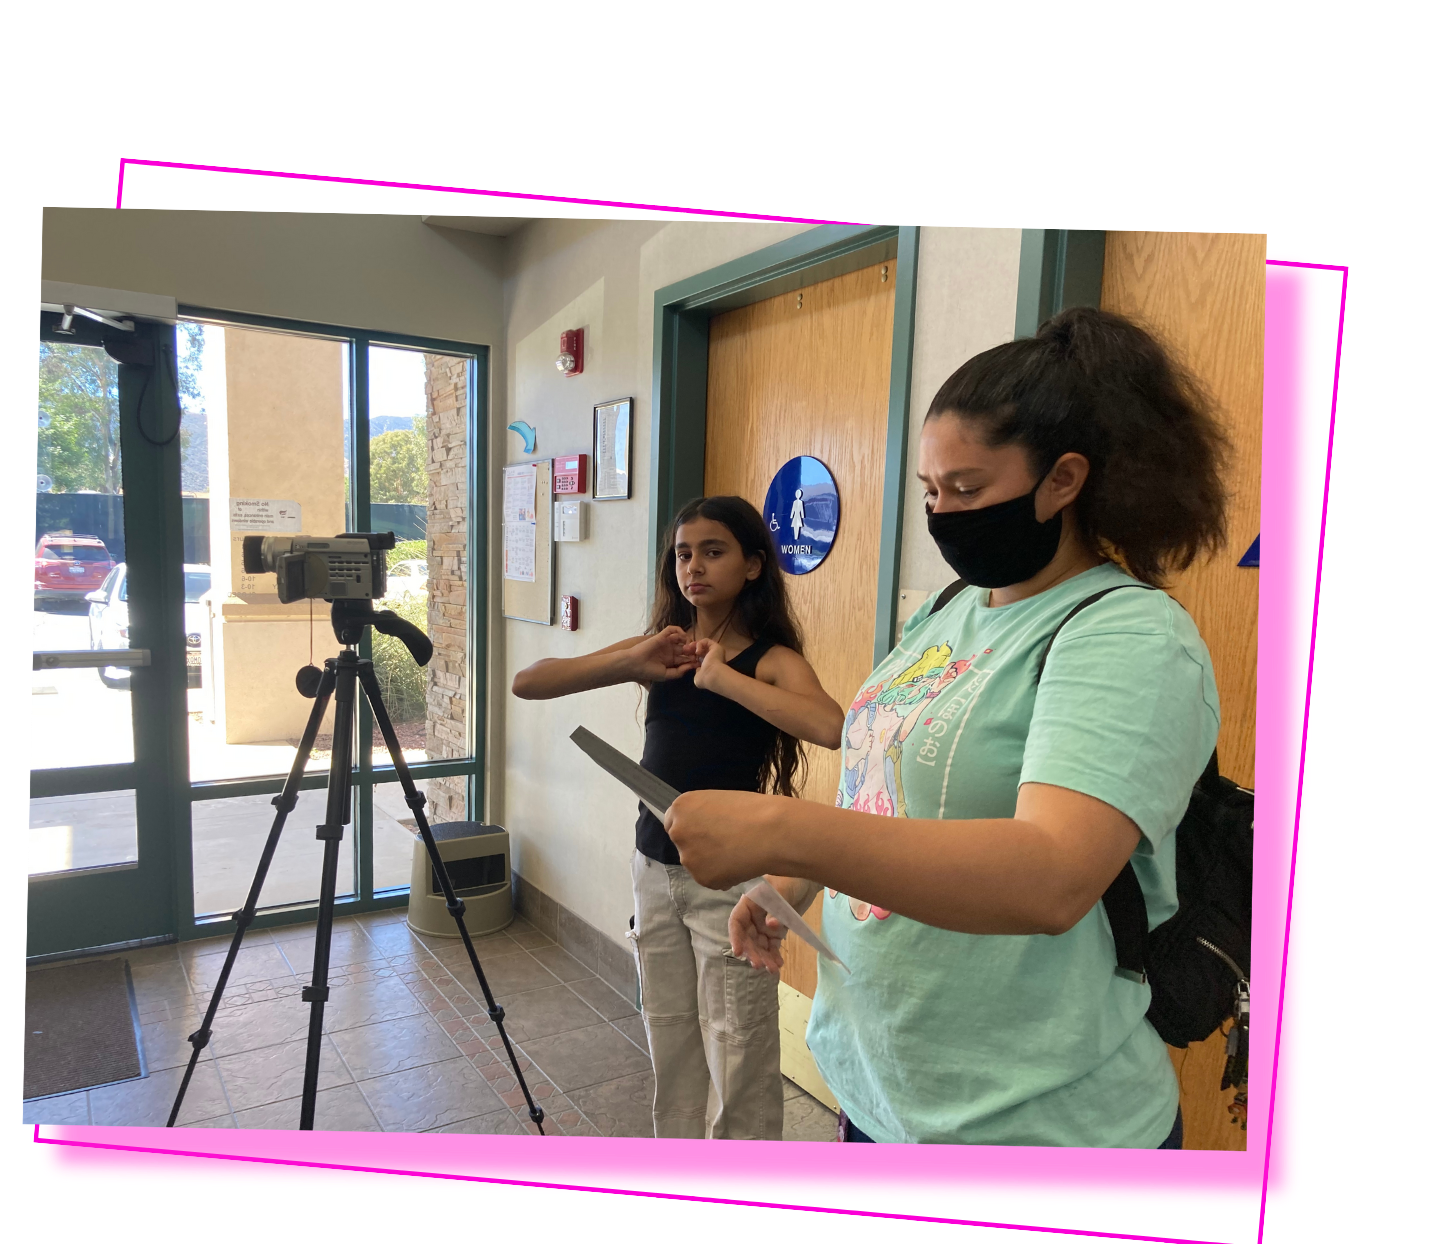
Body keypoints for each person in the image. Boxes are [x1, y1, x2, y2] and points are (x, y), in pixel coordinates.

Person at [659, 308, 1230, 1151]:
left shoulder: (1127, 634)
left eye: (966, 490)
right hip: (880, 1089)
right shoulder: (945, 609)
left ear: (1062, 481)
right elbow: (890, 792)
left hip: (1032, 1128)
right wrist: (793, 879)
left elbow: (1051, 876)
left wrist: (786, 828)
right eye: (930, 491)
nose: (941, 513)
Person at [511, 496, 845, 1140]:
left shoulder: (770, 660)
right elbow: (531, 681)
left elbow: (830, 727)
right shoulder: (663, 650)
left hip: (731, 883)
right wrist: (630, 662)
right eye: (683, 554)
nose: (693, 566)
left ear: (753, 565)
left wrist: (725, 680)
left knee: (739, 1047)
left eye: (713, 552)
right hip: (653, 869)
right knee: (669, 1036)